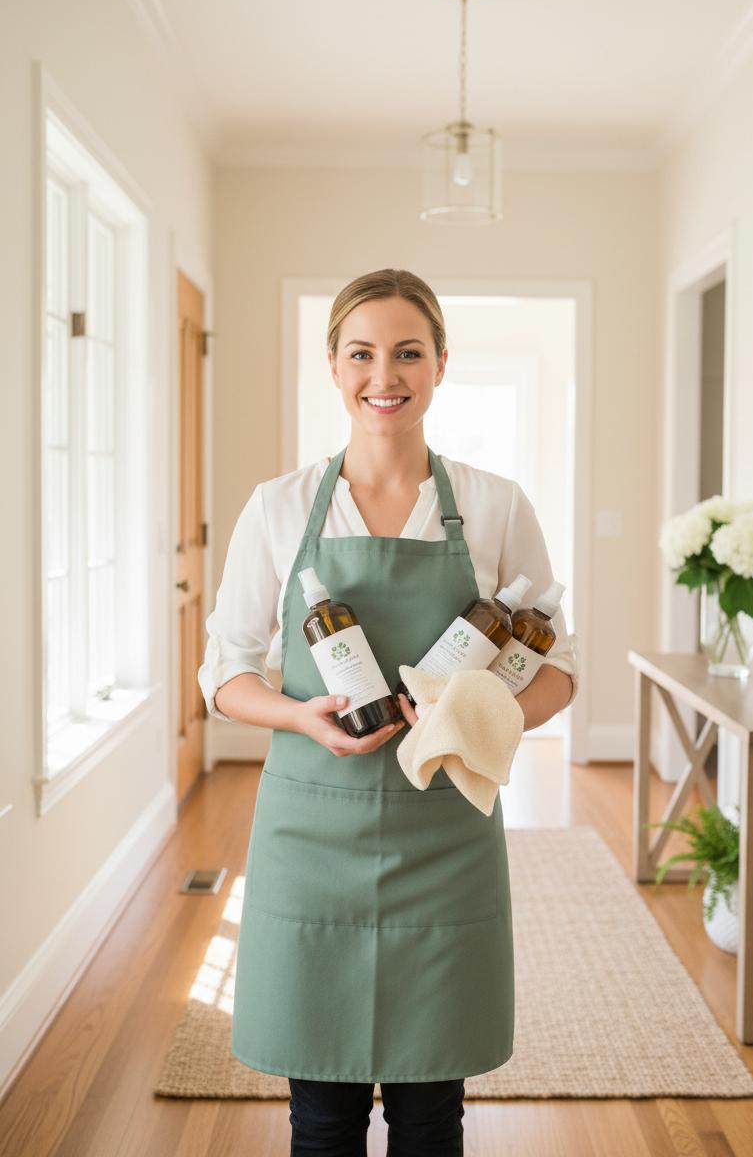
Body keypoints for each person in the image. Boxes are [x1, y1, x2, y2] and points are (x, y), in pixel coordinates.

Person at [198, 268, 579, 1157]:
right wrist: (302, 718)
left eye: (408, 352)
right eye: (362, 352)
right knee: (320, 1119)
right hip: (309, 834)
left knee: (429, 1114)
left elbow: (558, 672)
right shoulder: (280, 506)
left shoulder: (492, 505)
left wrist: (480, 715)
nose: (385, 375)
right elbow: (223, 673)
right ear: (332, 366)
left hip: (444, 827)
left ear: (441, 364)